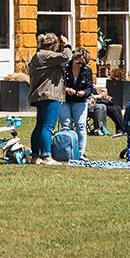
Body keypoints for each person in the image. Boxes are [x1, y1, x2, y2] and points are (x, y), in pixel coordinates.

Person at [26, 32, 67, 163]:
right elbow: (66, 56)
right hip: (50, 95)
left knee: (39, 126)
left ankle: (35, 155)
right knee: (48, 127)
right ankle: (46, 156)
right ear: (54, 45)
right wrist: (67, 44)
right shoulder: (47, 55)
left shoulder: (37, 56)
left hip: (39, 96)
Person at [63, 47, 95, 159]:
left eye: (83, 64)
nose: (80, 65)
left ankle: (81, 153)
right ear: (74, 57)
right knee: (65, 125)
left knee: (81, 126)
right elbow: (56, 84)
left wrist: (84, 92)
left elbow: (90, 88)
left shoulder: (87, 71)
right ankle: (65, 151)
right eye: (78, 62)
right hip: (65, 99)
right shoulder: (64, 68)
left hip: (80, 101)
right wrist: (66, 89)